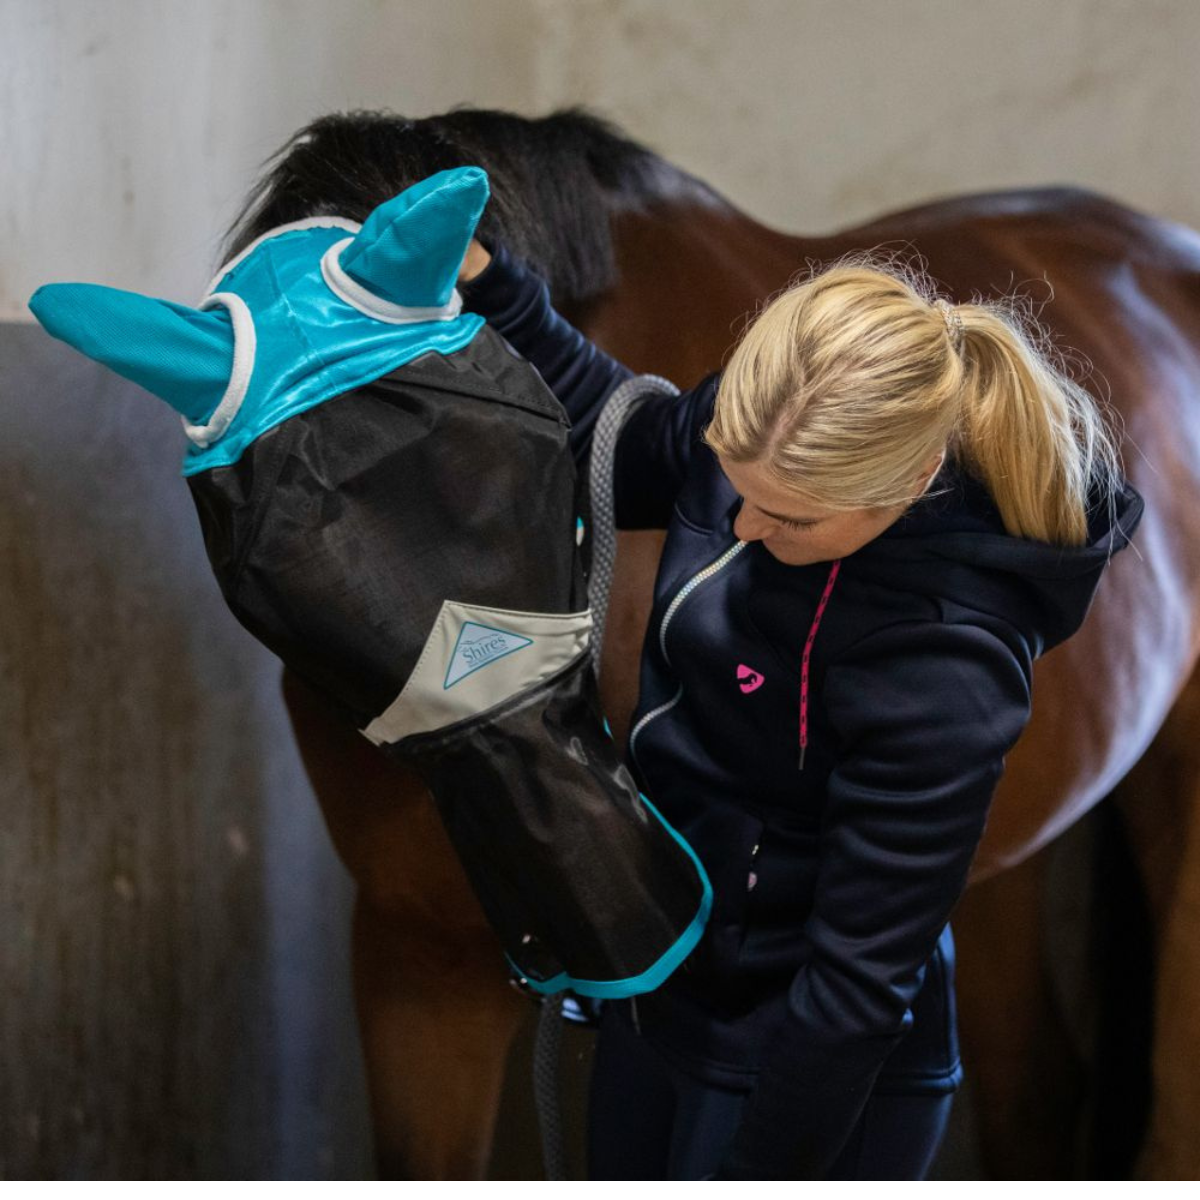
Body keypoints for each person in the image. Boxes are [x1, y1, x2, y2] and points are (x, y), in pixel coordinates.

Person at [457, 238, 1144, 1180]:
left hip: (808, 1065)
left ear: (904, 487)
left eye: (790, 518)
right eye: (736, 489)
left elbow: (856, 988)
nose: (740, 527)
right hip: (669, 997)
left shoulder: (943, 671)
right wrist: (491, 285)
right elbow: (612, 431)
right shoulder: (762, 450)